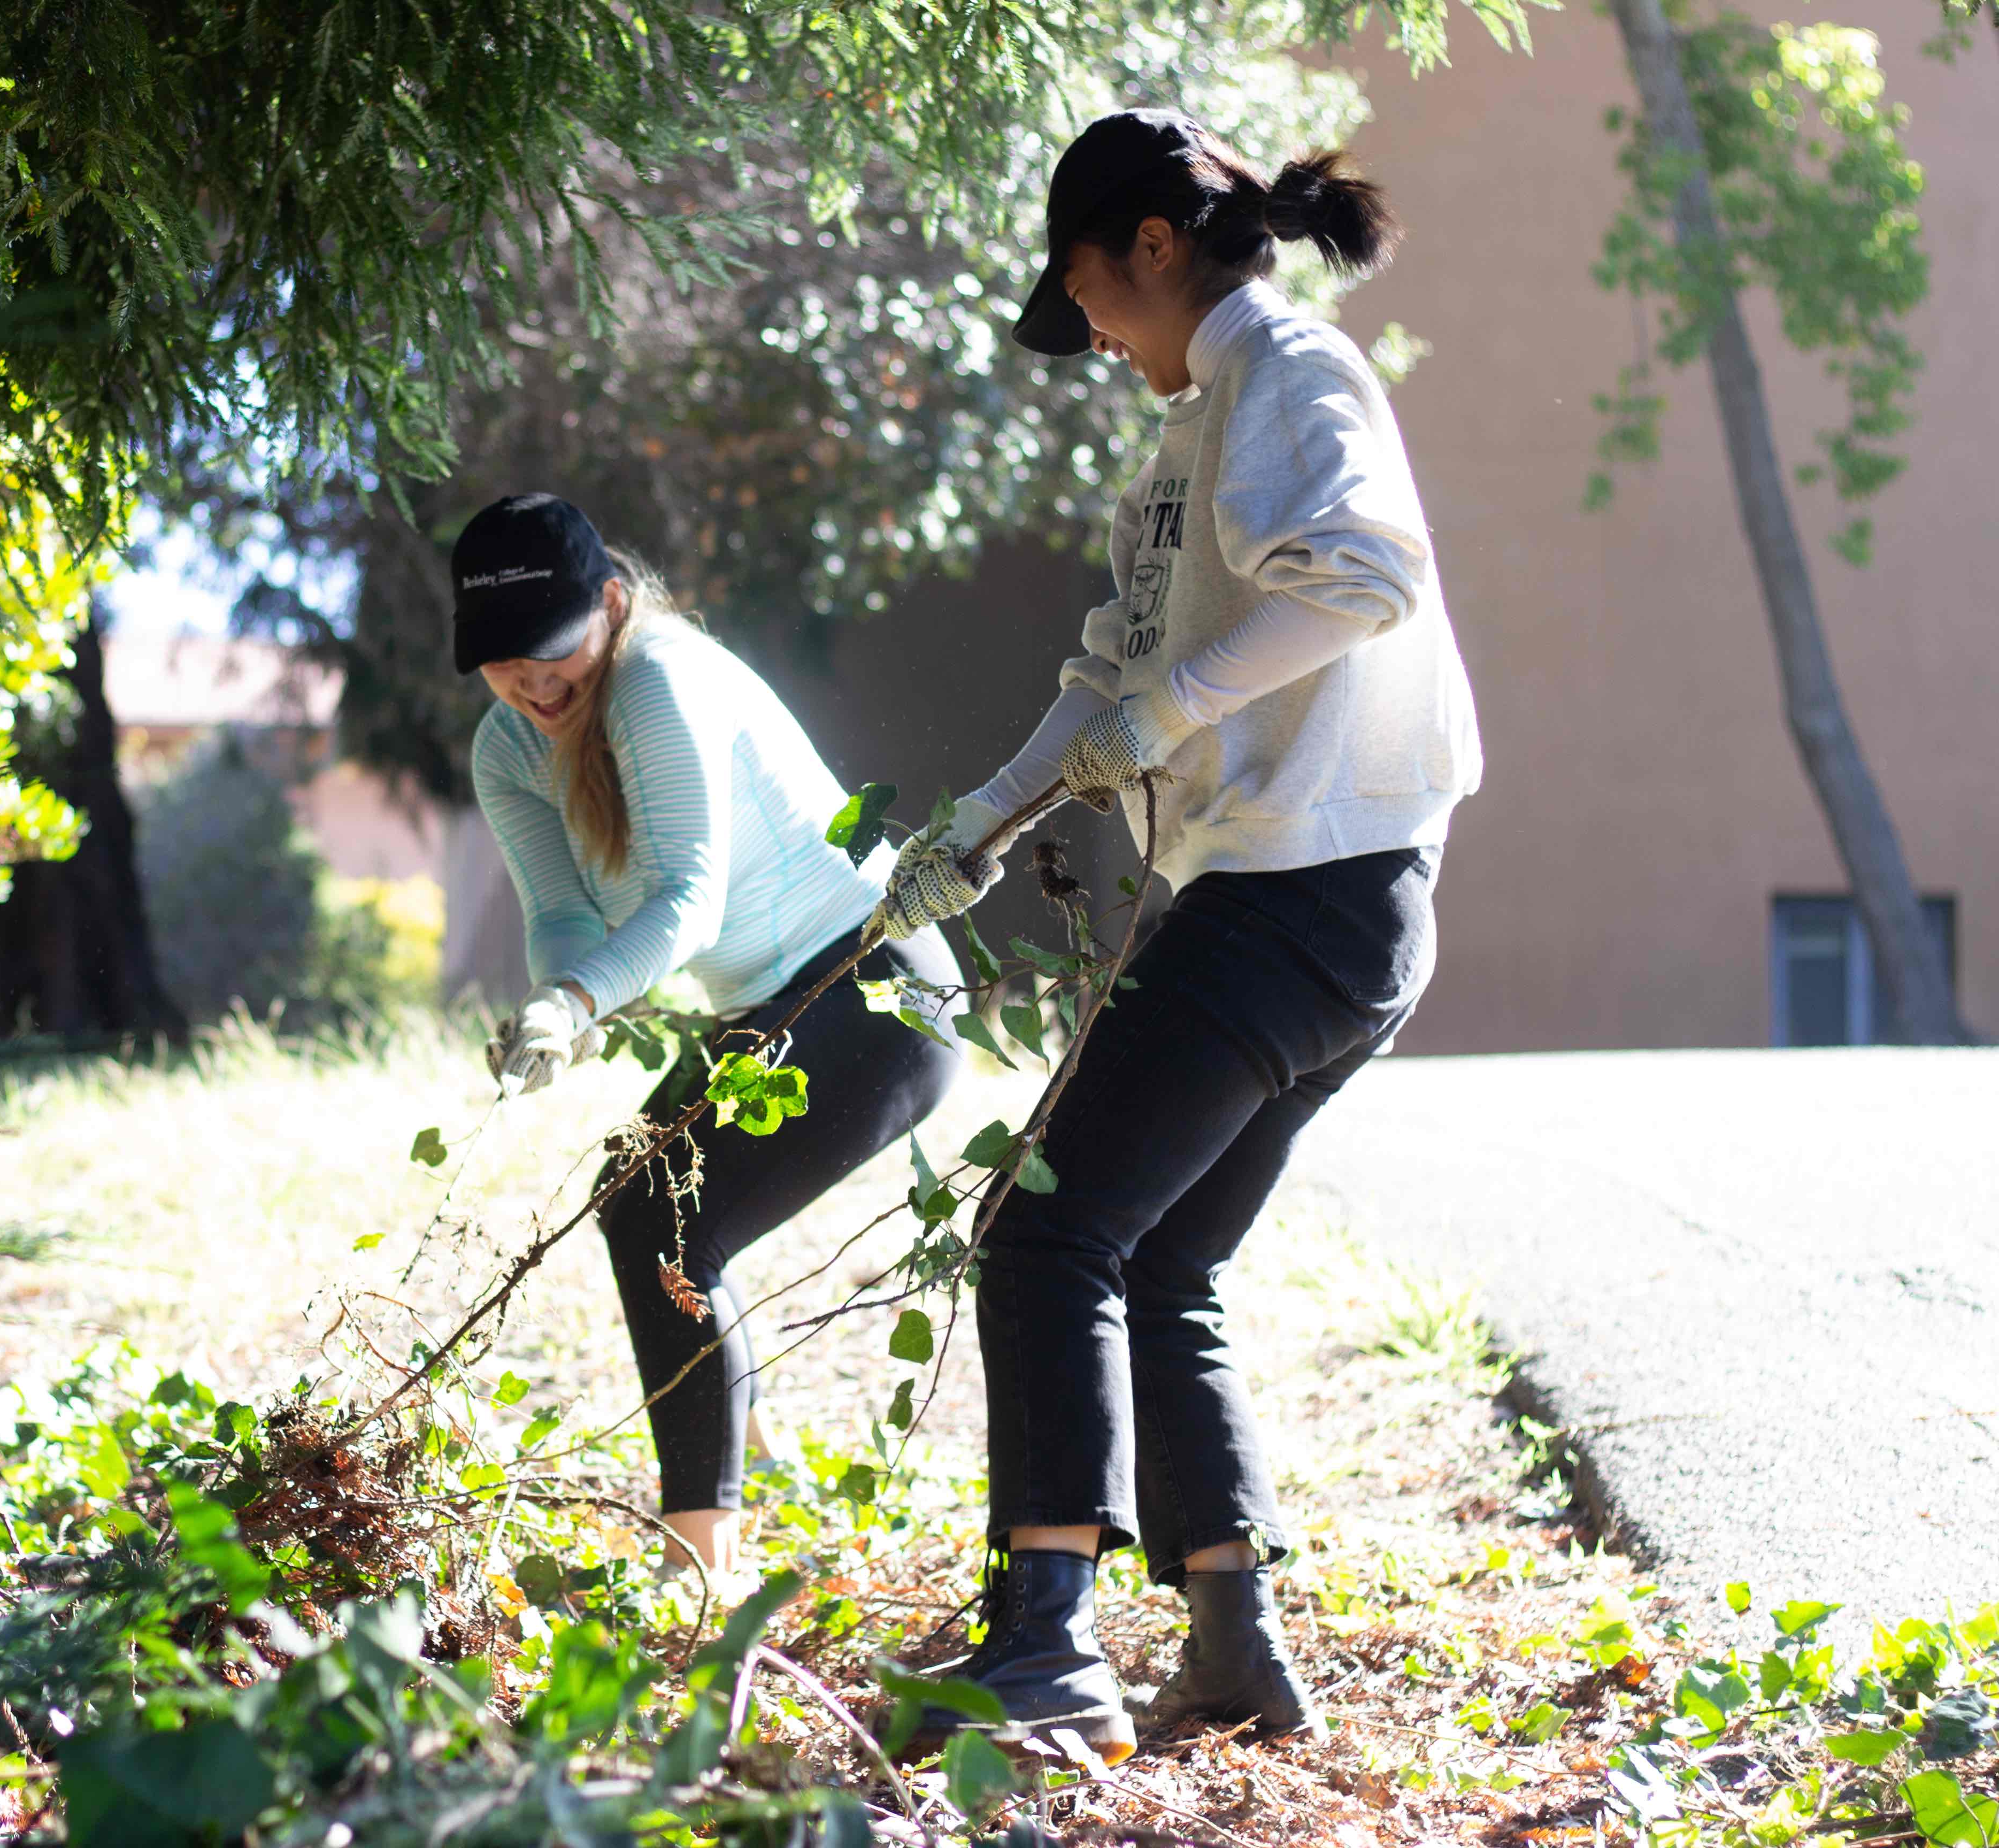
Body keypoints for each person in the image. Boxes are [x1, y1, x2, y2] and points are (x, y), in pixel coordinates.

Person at [875, 109, 1482, 1761]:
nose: (1091, 339)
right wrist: (974, 838)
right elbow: (1104, 686)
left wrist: (1174, 706)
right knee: (1164, 1260)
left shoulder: (1289, 370)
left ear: (1150, 245)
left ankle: (1045, 1646)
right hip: (1295, 906)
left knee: (1045, 1231)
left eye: (1087, 297)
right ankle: (1231, 1648)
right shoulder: (1187, 434)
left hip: (1314, 890)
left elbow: (1366, 578)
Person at [459, 492, 966, 1578]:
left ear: (610, 603)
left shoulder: (658, 678)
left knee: (658, 1216)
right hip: (771, 1006)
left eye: (553, 652)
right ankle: (753, 1472)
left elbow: (686, 900)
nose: (536, 684)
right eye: (506, 664)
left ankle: (704, 1565)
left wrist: (583, 1003)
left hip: (877, 986)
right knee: (648, 1201)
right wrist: (559, 1004)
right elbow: (561, 914)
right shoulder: (506, 749)